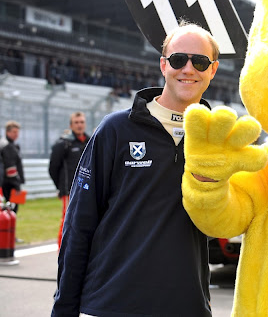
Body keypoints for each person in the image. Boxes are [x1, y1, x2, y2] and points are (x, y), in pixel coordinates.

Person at [52, 22, 220, 317]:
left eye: (200, 61)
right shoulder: (116, 129)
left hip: (187, 306)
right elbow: (79, 224)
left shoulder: (219, 141)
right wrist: (64, 307)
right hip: (111, 304)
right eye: (178, 59)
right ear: (163, 65)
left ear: (212, 70)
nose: (188, 69)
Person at [48, 111, 91, 249]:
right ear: (71, 125)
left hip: (87, 190)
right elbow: (53, 168)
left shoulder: (90, 141)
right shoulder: (63, 144)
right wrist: (61, 187)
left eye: (82, 122)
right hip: (69, 191)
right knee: (67, 222)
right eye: (76, 122)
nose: (79, 125)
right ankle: (63, 254)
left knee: (85, 222)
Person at [1, 121, 24, 213]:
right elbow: (10, 168)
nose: (16, 134)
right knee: (11, 210)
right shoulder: (8, 146)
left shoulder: (12, 145)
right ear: (7, 132)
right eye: (14, 132)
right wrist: (17, 185)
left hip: (7, 182)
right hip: (9, 183)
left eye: (17, 132)